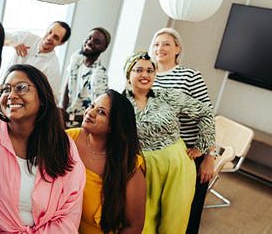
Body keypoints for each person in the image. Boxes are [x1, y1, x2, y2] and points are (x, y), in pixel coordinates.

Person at [0, 64, 86, 233]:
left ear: (42, 98)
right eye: (5, 89)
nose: (11, 95)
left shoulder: (63, 144)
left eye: (21, 88)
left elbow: (70, 212)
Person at [123, 51, 215, 234]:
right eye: (139, 70)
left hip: (177, 164)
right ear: (128, 74)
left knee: (174, 222)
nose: (145, 75)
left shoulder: (168, 96)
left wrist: (201, 147)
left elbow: (206, 113)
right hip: (140, 167)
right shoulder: (118, 102)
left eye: (150, 70)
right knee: (143, 222)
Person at [149, 27, 215, 234]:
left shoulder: (189, 76)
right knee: (156, 212)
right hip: (155, 155)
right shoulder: (146, 74)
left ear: (178, 49)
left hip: (187, 155)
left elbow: (207, 114)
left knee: (186, 214)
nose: (160, 48)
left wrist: (208, 156)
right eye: (157, 44)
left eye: (167, 44)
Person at [66, 90, 146, 234]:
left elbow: (134, 226)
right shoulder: (68, 139)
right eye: (92, 106)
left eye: (101, 112)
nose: (90, 112)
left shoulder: (129, 165)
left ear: (115, 125)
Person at [4, 21, 71, 97]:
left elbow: (51, 97)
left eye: (55, 37)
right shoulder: (27, 38)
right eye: (50, 32)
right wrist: (11, 42)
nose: (49, 38)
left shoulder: (53, 68)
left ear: (61, 43)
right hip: (2, 88)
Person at [61, 27, 110, 127]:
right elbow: (68, 84)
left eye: (96, 41)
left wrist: (69, 117)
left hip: (81, 125)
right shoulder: (76, 57)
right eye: (89, 38)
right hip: (65, 118)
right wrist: (62, 111)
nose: (90, 42)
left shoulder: (99, 75)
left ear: (103, 48)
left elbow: (98, 112)